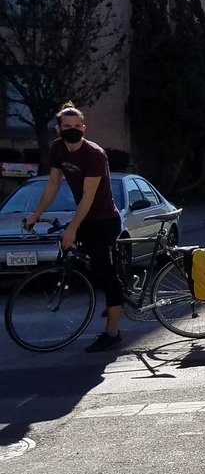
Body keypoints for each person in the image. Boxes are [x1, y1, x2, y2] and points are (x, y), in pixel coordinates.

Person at [24, 102, 124, 352]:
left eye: (76, 126)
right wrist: (36, 215)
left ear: (84, 128)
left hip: (103, 219)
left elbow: (88, 198)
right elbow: (53, 184)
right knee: (81, 262)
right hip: (85, 217)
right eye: (67, 126)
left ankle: (113, 333)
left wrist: (72, 228)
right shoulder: (58, 149)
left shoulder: (94, 154)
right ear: (58, 129)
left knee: (107, 274)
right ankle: (109, 295)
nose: (72, 129)